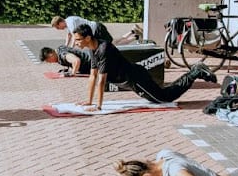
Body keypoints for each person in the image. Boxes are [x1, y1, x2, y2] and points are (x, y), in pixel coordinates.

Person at [73, 24, 216, 111]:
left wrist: (98, 106)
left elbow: (101, 80)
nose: (76, 43)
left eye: (78, 39)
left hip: (136, 79)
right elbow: (93, 76)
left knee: (164, 99)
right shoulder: (92, 48)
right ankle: (195, 71)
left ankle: (195, 71)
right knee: (160, 95)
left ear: (87, 38)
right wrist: (89, 101)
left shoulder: (103, 49)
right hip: (133, 78)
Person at [51, 15, 140, 47]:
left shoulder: (70, 23)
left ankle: (135, 36)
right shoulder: (69, 21)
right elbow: (69, 36)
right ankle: (133, 32)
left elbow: (74, 37)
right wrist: (66, 46)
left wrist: (71, 48)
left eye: (58, 27)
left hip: (97, 29)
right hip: (96, 31)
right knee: (114, 44)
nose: (59, 29)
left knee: (114, 44)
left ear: (60, 23)